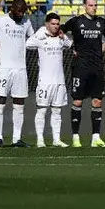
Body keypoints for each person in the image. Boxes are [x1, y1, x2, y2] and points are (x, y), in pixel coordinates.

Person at [61, 0, 105, 147]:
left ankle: (95, 138)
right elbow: (60, 31)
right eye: (90, 5)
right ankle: (76, 137)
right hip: (80, 67)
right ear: (85, 6)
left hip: (97, 67)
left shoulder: (101, 22)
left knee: (97, 101)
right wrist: (70, 46)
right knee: (78, 100)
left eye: (95, 5)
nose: (93, 8)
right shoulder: (76, 21)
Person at [26, 13, 73, 148]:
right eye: (53, 24)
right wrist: (41, 32)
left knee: (57, 111)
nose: (55, 26)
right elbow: (28, 44)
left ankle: (56, 139)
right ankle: (40, 140)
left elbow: (70, 45)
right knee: (42, 110)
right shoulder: (40, 36)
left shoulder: (60, 38)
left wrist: (64, 36)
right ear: (47, 24)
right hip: (45, 82)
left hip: (59, 81)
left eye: (57, 24)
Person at [0, 0, 34, 148]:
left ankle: (17, 139)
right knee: (0, 102)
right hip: (3, 68)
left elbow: (32, 39)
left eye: (24, 11)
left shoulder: (26, 22)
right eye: (19, 11)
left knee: (19, 103)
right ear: (12, 8)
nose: (21, 14)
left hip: (20, 69)